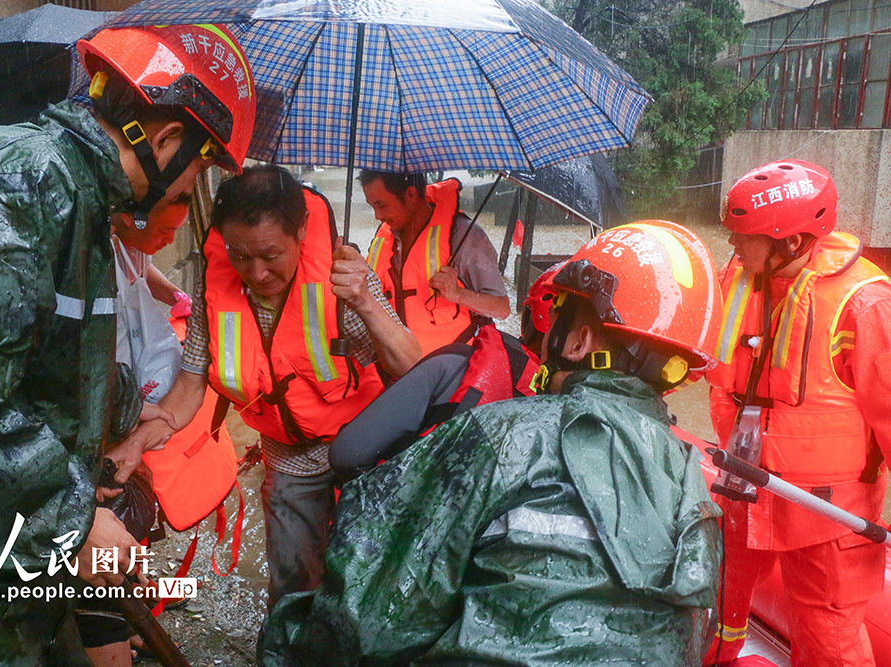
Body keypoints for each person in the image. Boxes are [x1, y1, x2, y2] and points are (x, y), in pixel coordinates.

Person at [0, 23, 255, 665]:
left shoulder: (81, 205)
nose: (186, 192)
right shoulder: (14, 180)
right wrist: (73, 526)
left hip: (6, 568)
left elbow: (39, 358)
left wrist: (119, 413)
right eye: (197, 170)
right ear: (167, 139)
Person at [260, 219, 726, 666]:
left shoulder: (503, 434)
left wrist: (288, 637)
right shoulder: (694, 485)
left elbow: (368, 623)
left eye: (561, 316)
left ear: (580, 340)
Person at [118, 164, 421, 608]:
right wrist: (139, 441)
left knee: (370, 584)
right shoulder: (214, 288)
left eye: (270, 255)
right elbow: (188, 387)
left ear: (301, 231)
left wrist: (365, 301)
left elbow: (413, 369)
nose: (256, 273)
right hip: (288, 460)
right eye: (240, 256)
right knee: (294, 590)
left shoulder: (346, 279)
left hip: (365, 452)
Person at [703, 160, 891, 667]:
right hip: (742, 488)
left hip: (828, 516)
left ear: (791, 241)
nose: (734, 246)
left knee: (829, 645)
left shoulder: (865, 305)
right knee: (710, 610)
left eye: (745, 236)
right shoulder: (738, 278)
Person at [328, 262, 561, 482]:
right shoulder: (576, 423)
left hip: (416, 509)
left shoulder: (453, 364)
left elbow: (346, 455)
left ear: (530, 318)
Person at [361, 170, 510, 357]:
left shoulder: (466, 237)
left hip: (454, 370)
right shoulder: (385, 239)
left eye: (381, 205)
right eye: (372, 207)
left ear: (410, 195)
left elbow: (502, 308)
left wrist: (457, 294)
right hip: (399, 367)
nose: (377, 216)